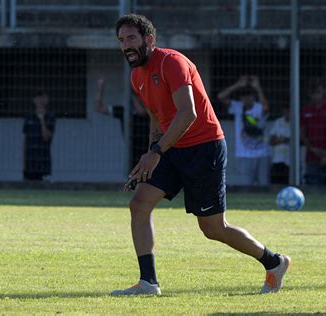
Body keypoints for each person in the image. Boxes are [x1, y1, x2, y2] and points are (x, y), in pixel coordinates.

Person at [111, 13, 290, 296]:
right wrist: (149, 156)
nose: (126, 45)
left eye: (131, 38)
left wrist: (156, 152)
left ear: (150, 39)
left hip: (203, 147)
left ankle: (274, 262)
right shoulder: (136, 76)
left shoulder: (172, 62)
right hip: (171, 147)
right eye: (121, 40)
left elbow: (188, 113)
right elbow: (157, 120)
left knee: (213, 228)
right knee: (139, 204)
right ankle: (148, 283)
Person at [218, 75, 270, 186]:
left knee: (264, 184)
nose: (246, 99)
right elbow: (221, 97)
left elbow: (266, 108)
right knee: (247, 185)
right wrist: (237, 85)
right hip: (244, 153)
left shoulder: (259, 107)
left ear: (253, 97)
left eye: (249, 96)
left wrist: (258, 87)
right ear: (240, 98)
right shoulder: (238, 107)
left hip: (262, 152)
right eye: (243, 97)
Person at [95, 74, 149, 167]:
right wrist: (100, 88)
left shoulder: (149, 111)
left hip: (148, 151)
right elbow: (99, 108)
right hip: (133, 153)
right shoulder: (124, 111)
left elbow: (142, 112)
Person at [300, 79, 326, 185]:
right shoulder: (306, 110)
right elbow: (302, 132)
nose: (315, 96)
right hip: (311, 155)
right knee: (311, 185)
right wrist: (312, 149)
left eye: (318, 92)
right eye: (313, 93)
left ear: (323, 91)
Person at [22, 89, 56, 181]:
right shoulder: (29, 116)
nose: (40, 100)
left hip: (43, 158)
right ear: (34, 100)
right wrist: (24, 163)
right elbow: (25, 140)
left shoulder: (50, 117)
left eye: (43, 97)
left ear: (47, 100)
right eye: (38, 97)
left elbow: (46, 137)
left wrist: (42, 120)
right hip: (30, 159)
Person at [269, 105, 291, 184]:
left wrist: (280, 140)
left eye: (289, 111)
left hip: (290, 160)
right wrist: (285, 140)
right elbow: (271, 141)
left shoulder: (296, 122)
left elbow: (295, 140)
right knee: (276, 182)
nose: (287, 113)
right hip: (277, 159)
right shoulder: (278, 122)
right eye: (286, 111)